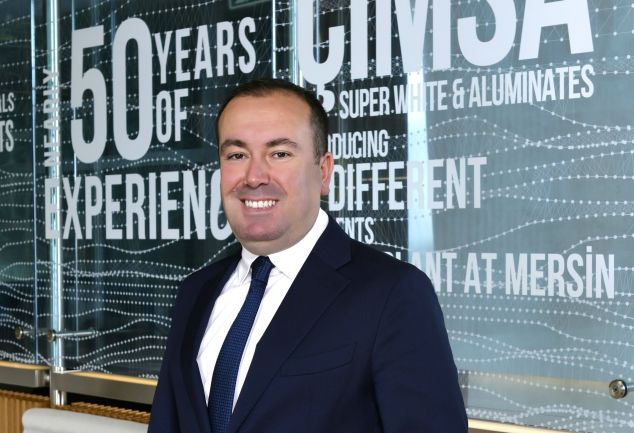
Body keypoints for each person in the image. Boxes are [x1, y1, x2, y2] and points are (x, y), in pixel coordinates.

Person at [148, 79, 467, 433]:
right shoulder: (196, 292)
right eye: (237, 155)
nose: (254, 177)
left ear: (324, 171)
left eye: (279, 154)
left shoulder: (393, 294)